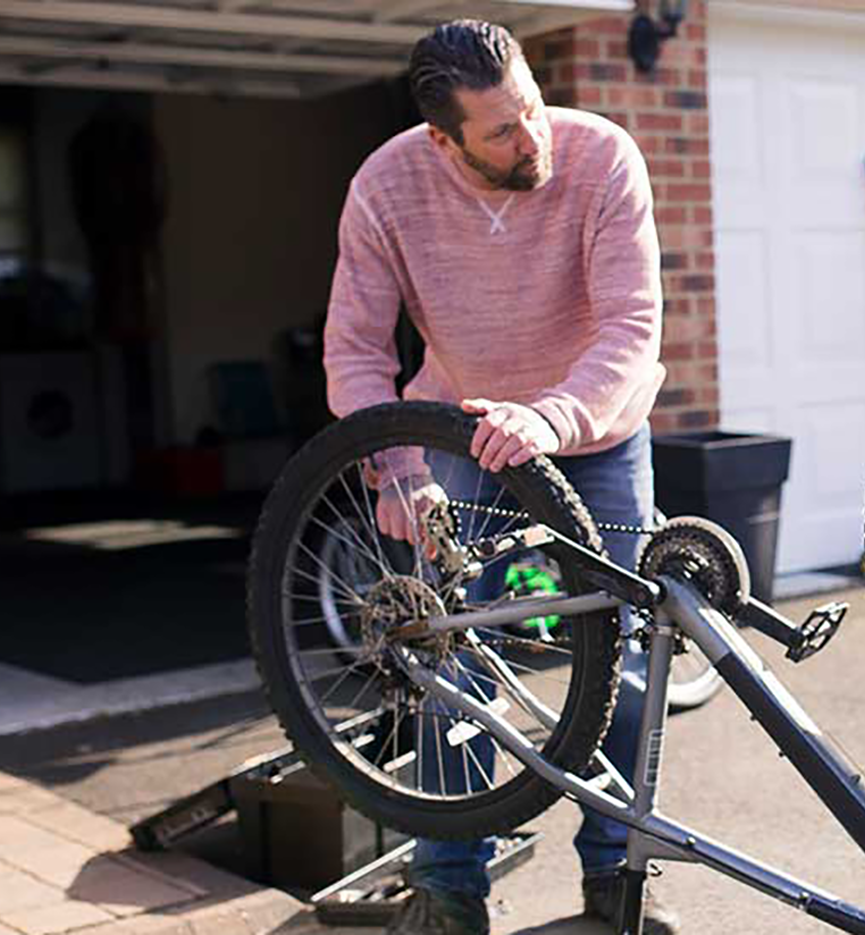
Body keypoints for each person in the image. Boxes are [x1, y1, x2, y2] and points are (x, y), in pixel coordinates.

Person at [322, 19, 679, 935]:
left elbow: (632, 331)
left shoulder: (602, 158)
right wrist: (396, 470)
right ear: (443, 141)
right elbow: (356, 349)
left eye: (532, 110)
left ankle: (616, 879)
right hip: (460, 432)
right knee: (450, 660)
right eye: (503, 133)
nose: (535, 141)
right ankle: (450, 892)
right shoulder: (387, 186)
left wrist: (553, 414)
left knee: (622, 657)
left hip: (593, 435)